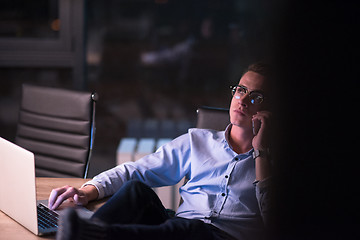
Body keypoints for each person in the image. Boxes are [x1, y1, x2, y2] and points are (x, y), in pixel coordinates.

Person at [49, 63, 273, 240]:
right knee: (137, 190)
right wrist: (87, 191)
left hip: (213, 235)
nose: (243, 101)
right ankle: (82, 233)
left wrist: (261, 153)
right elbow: (136, 171)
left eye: (255, 97)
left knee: (194, 230)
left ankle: (95, 235)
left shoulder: (274, 162)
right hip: (178, 230)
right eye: (241, 90)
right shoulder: (198, 141)